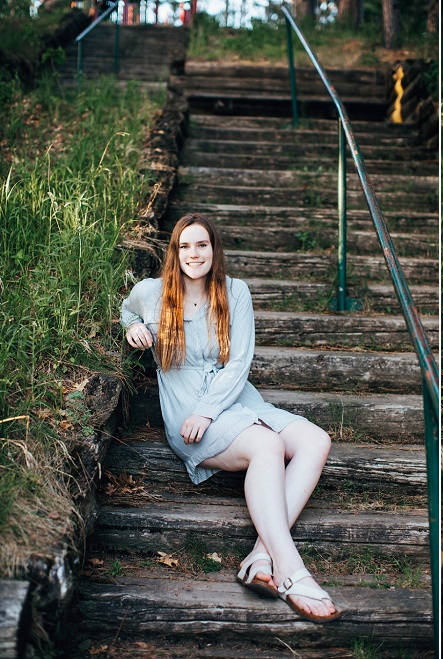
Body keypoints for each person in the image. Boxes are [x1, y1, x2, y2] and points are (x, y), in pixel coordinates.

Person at [121, 214, 342, 623]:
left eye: (201, 245)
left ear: (213, 249)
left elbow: (239, 361)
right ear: (175, 252)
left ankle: (260, 556)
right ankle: (291, 568)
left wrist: (211, 410)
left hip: (235, 398)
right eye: (185, 246)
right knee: (268, 445)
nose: (193, 253)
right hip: (185, 407)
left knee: (316, 440)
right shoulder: (152, 292)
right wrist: (133, 325)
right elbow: (126, 310)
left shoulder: (234, 292)